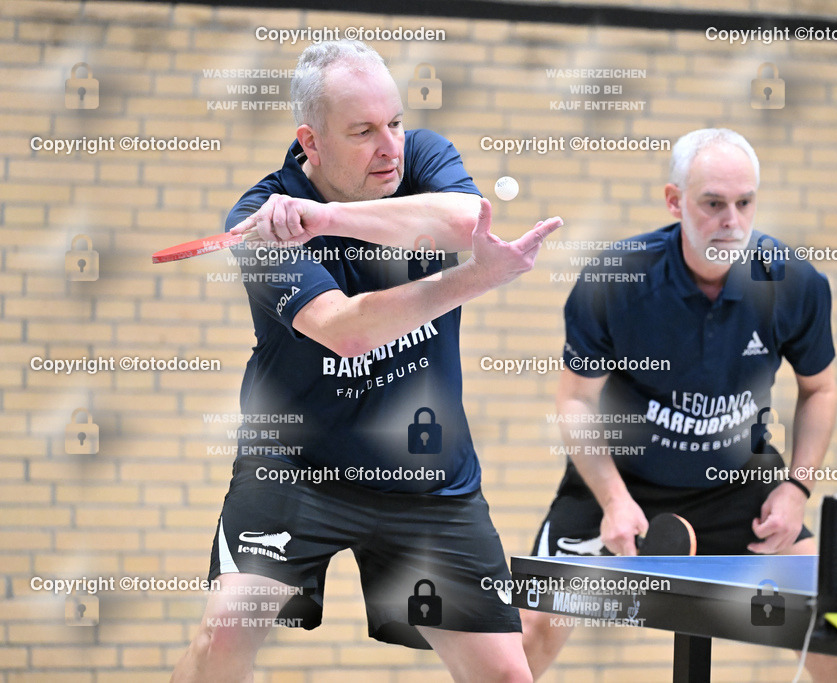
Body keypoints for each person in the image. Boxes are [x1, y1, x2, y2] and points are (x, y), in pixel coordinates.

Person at [171, 40, 560, 683]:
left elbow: (465, 222)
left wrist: (329, 218)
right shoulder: (260, 218)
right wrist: (477, 278)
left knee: (506, 675)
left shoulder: (421, 158)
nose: (390, 147)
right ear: (312, 141)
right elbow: (345, 331)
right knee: (223, 639)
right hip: (296, 472)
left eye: (395, 123)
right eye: (363, 132)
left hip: (428, 481)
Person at [521, 128, 837, 681]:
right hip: (622, 484)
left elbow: (820, 389)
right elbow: (576, 399)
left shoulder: (794, 283)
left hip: (737, 489)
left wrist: (796, 489)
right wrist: (613, 499)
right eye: (713, 203)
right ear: (674, 201)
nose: (732, 221)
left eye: (745, 203)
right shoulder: (617, 280)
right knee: (530, 631)